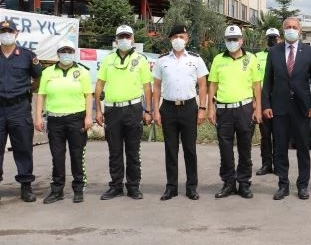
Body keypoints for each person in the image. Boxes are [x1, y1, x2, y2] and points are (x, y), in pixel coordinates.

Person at [263, 17, 311, 200]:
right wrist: (266, 105)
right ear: (282, 30)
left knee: (303, 148)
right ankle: (283, 184)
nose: (291, 29)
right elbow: (267, 81)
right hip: (279, 107)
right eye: (288, 27)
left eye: (294, 27)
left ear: (300, 30)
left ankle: (303, 185)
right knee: (280, 148)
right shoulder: (274, 52)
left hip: (302, 108)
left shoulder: (309, 52)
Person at [95, 25, 153, 200]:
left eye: (127, 36)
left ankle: (134, 186)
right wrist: (98, 109)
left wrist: (148, 110)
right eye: (121, 36)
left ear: (133, 39)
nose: (124, 39)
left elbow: (147, 87)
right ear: (116, 39)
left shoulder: (140, 59)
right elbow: (99, 84)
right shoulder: (108, 59)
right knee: (114, 151)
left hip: (133, 109)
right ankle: (116, 186)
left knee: (133, 150)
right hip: (112, 109)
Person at [152, 24, 209, 201]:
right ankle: (171, 187)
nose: (179, 40)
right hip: (168, 108)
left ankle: (192, 187)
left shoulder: (196, 59)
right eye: (175, 36)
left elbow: (202, 85)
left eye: (182, 36)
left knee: (190, 149)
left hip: (189, 107)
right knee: (170, 149)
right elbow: (156, 87)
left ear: (187, 39)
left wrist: (202, 108)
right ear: (170, 39)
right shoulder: (162, 60)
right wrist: (156, 110)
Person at [207, 25, 262, 199]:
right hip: (223, 109)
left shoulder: (251, 59)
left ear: (242, 40)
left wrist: (258, 108)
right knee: (225, 149)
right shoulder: (218, 59)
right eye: (229, 40)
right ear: (225, 41)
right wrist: (210, 107)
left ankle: (244, 183)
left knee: (245, 148)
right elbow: (212, 85)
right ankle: (228, 183)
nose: (232, 43)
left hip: (245, 108)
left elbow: (256, 85)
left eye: (235, 39)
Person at [34, 40, 91, 204]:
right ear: (58, 53)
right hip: (55, 120)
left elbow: (88, 95)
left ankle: (78, 189)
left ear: (74, 53)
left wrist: (88, 117)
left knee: (77, 155)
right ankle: (57, 190)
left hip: (76, 119)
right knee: (57, 156)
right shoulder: (48, 72)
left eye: (69, 50)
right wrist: (38, 116)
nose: (66, 54)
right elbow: (41, 95)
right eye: (63, 51)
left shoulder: (82, 72)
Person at [0, 19, 43, 202]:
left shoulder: (27, 55)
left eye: (10, 31)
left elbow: (38, 78)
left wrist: (28, 92)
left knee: (23, 148)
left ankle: (26, 186)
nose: (6, 33)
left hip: (19, 108)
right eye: (3, 31)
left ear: (16, 33)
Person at [255, 27, 280, 176]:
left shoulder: (282, 54)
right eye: (270, 37)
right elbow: (254, 80)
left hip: (278, 99)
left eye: (274, 37)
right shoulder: (257, 56)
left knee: (278, 134)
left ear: (278, 38)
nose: (272, 40)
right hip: (263, 99)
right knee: (265, 135)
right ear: (266, 39)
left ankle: (278, 164)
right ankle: (266, 164)